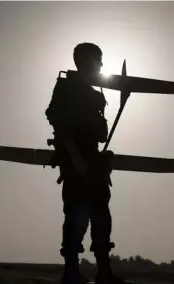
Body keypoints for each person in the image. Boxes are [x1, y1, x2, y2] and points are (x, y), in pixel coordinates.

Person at [45, 43, 131, 284]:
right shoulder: (67, 87)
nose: (102, 64)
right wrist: (74, 157)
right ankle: (71, 274)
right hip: (76, 161)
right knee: (76, 218)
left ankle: (104, 272)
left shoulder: (94, 90)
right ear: (86, 60)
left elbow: (98, 131)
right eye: (99, 59)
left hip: (93, 160)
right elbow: (58, 124)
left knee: (101, 217)